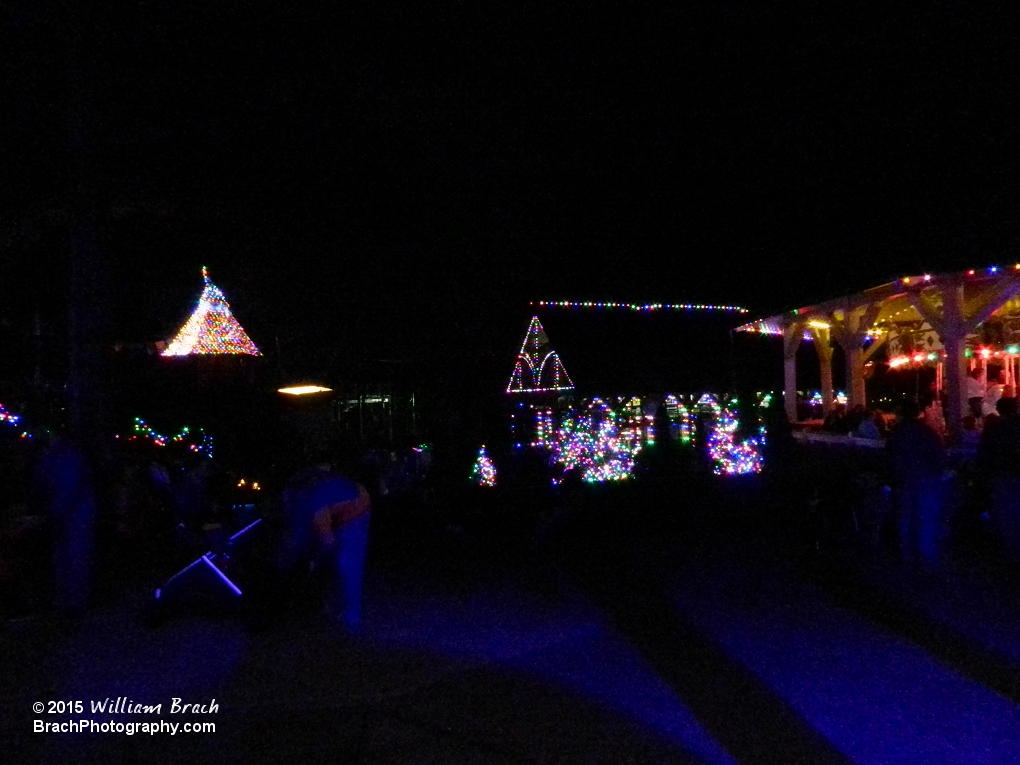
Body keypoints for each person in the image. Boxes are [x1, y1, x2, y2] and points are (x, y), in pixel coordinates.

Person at [278, 457, 372, 633]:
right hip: (343, 503)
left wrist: (316, 554)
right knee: (337, 562)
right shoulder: (301, 498)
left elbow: (320, 537)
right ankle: (336, 607)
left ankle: (351, 615)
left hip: (355, 508)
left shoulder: (308, 502)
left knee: (347, 564)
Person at [887, 401, 949, 567]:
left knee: (906, 516)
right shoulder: (926, 432)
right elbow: (938, 454)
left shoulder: (896, 432)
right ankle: (926, 553)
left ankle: (907, 551)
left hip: (905, 479)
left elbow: (890, 457)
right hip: (926, 479)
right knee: (926, 517)